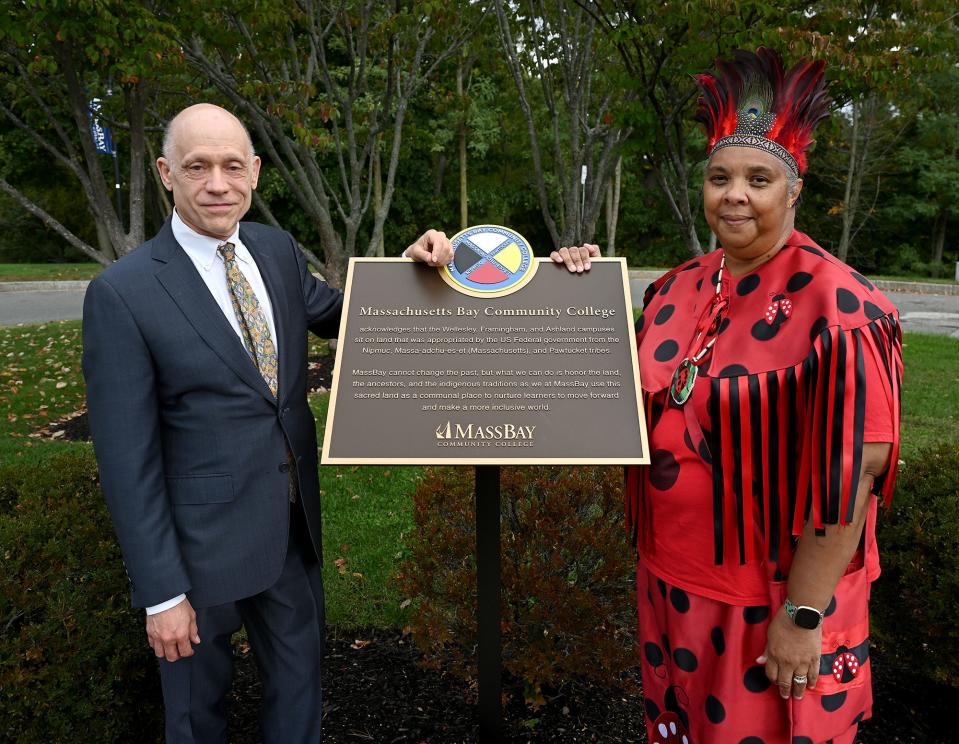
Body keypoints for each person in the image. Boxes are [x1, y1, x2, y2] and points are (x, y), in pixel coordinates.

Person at [82, 102, 594, 743]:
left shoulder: (274, 251)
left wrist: (433, 266)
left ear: (257, 172)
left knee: (299, 700)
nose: (218, 183)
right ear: (165, 172)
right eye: (198, 166)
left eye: (233, 166)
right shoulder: (123, 293)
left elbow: (360, 319)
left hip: (291, 533)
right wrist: (162, 594)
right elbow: (127, 463)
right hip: (195, 555)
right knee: (194, 716)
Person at [624, 49, 902, 743]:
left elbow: (854, 475)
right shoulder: (675, 286)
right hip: (671, 582)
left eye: (757, 178)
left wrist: (801, 616)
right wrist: (571, 279)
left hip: (769, 601)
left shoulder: (837, 305)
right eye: (719, 178)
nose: (734, 194)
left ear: (792, 190)